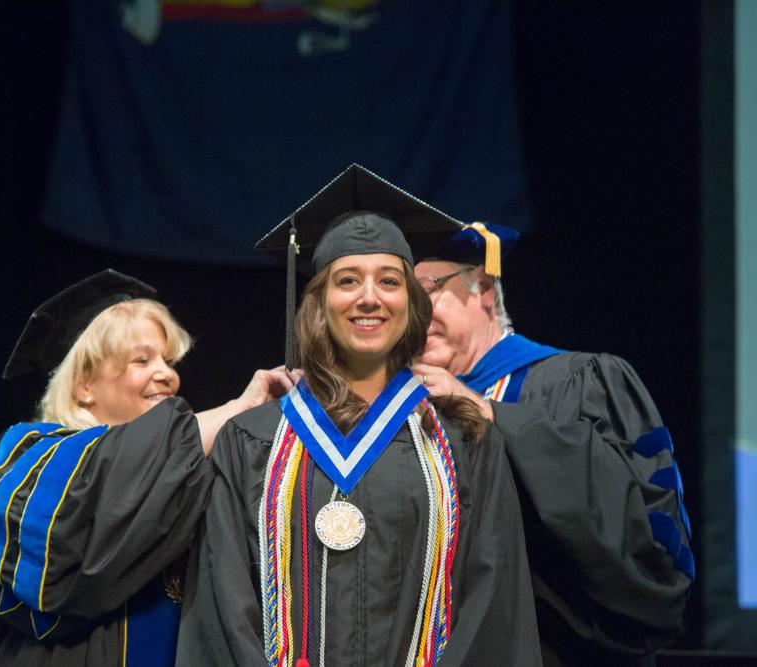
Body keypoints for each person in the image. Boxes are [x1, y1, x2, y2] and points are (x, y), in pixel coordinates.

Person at [181, 169, 542, 665]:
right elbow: (222, 610)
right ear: (320, 305)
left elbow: (493, 606)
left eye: (390, 281)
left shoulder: (464, 441)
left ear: (410, 304)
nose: (369, 297)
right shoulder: (251, 442)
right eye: (347, 281)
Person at [0, 269, 298, 667]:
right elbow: (96, 490)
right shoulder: (22, 461)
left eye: (168, 360)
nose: (166, 374)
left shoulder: (190, 474)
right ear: (84, 382)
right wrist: (236, 410)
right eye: (142, 360)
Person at [411, 224, 694, 665]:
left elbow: (647, 547)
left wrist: (492, 416)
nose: (413, 315)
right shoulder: (403, 412)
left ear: (483, 288)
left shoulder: (583, 383)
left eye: (426, 291)